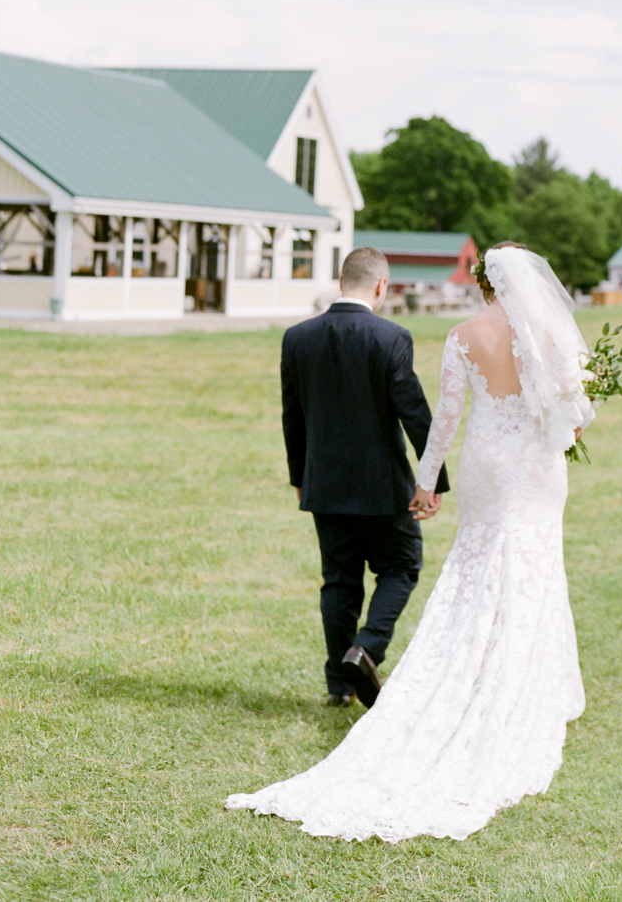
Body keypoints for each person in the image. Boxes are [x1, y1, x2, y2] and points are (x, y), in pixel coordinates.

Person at [226, 241, 595, 842]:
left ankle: (342, 676)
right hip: (530, 469)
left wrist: (422, 482)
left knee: (350, 576)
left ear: (483, 282)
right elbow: (559, 411)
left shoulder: (454, 335)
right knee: (513, 565)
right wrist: (426, 482)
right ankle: (490, 674)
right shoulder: (545, 333)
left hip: (447, 469)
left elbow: (442, 416)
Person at [277, 245, 449, 710]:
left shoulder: (297, 338)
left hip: (324, 484)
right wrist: (431, 480)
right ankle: (365, 648)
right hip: (382, 487)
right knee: (402, 565)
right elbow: (414, 412)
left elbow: (292, 416)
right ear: (381, 285)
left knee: (339, 580)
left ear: (340, 281)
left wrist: (300, 476)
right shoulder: (391, 338)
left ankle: (340, 685)